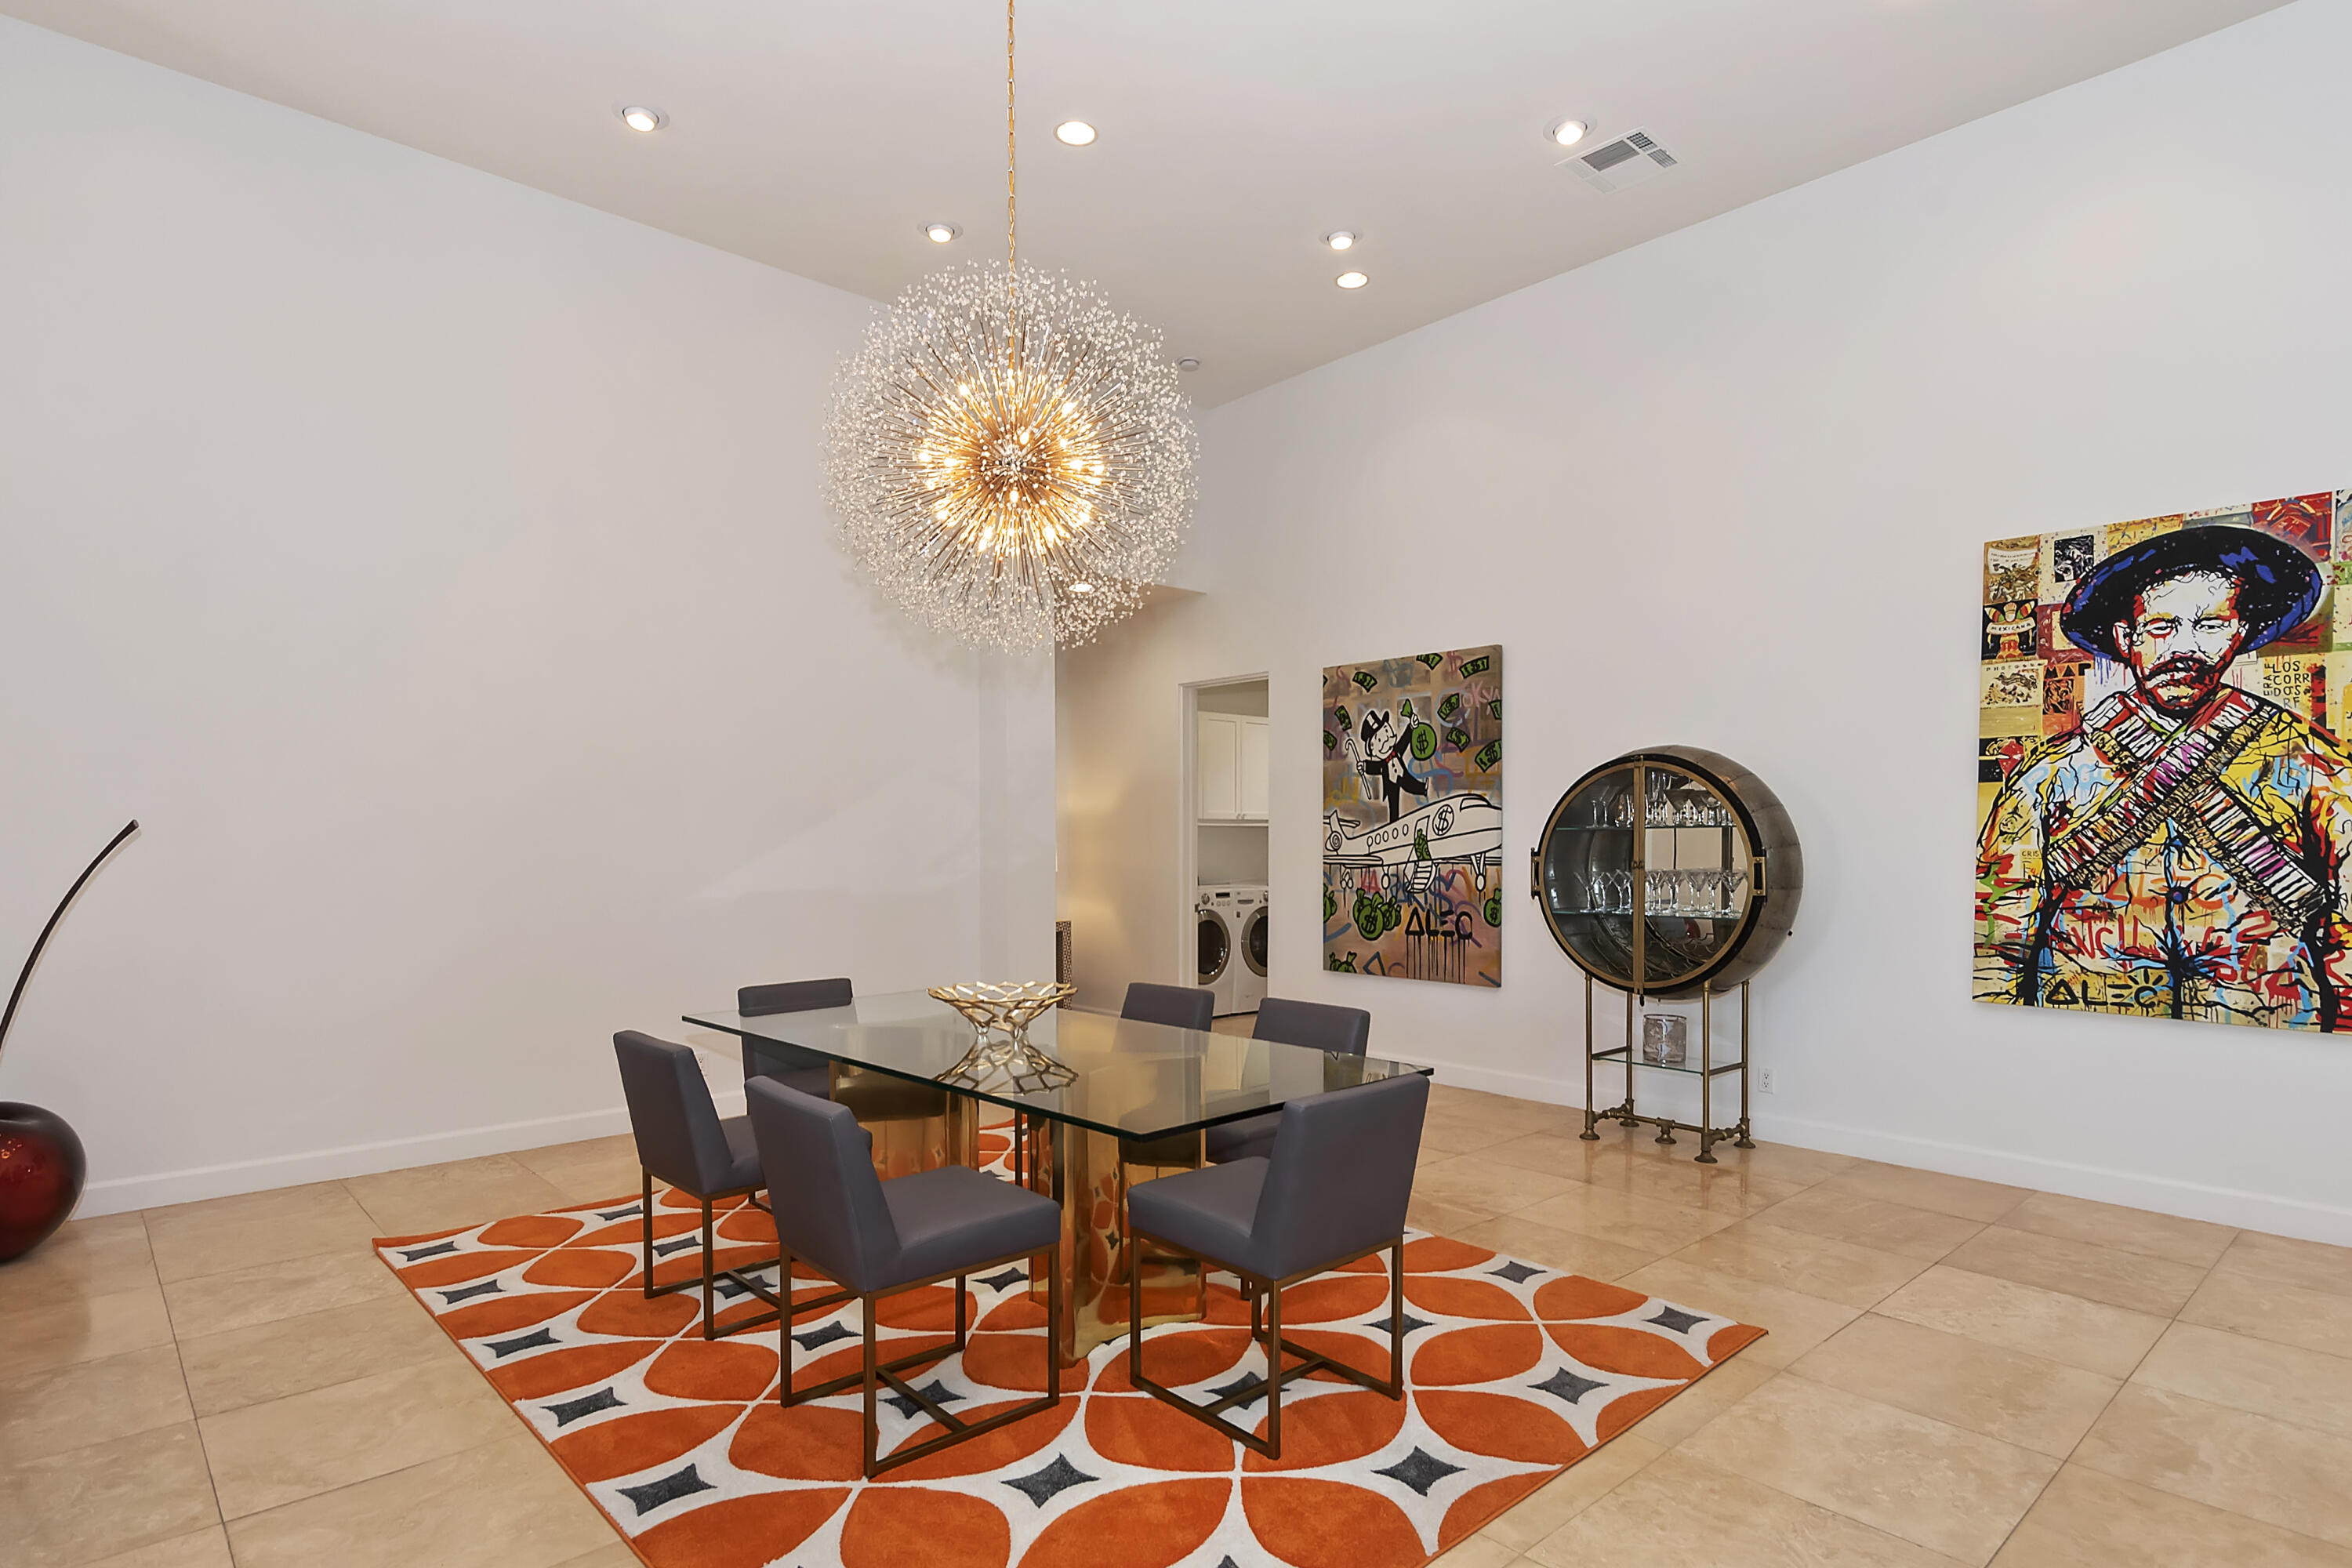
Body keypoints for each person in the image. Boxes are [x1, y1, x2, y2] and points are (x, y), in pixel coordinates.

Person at [1975, 524, 2352, 1029]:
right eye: (2160, 627)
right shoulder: (2046, 776)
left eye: (2212, 625)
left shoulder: (2313, 765)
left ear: (2239, 633)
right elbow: (1996, 939)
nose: (2185, 648)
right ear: (2125, 637)